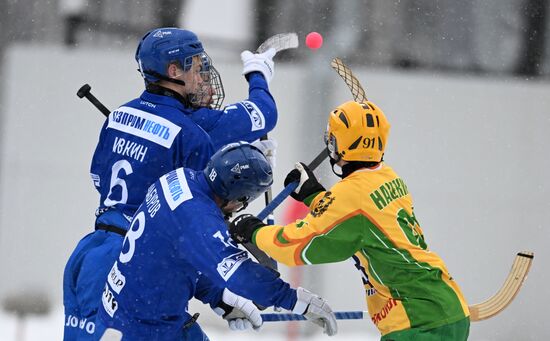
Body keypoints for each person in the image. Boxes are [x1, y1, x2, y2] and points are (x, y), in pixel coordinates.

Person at [63, 27, 279, 340]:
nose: (202, 73)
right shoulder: (192, 132)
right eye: (195, 65)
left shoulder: (119, 116)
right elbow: (195, 221)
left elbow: (99, 177)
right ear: (173, 70)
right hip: (139, 266)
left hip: (91, 254)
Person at [229, 101, 471, 340]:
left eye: (332, 139)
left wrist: (252, 230)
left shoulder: (350, 196)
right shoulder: (386, 176)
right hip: (444, 306)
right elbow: (355, 217)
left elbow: (294, 247)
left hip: (418, 322)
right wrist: (313, 194)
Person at [94, 142, 338, 340]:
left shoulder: (180, 178)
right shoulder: (198, 218)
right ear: (239, 196)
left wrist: (219, 297)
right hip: (145, 328)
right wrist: (296, 301)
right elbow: (240, 274)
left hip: (132, 309)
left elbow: (173, 257)